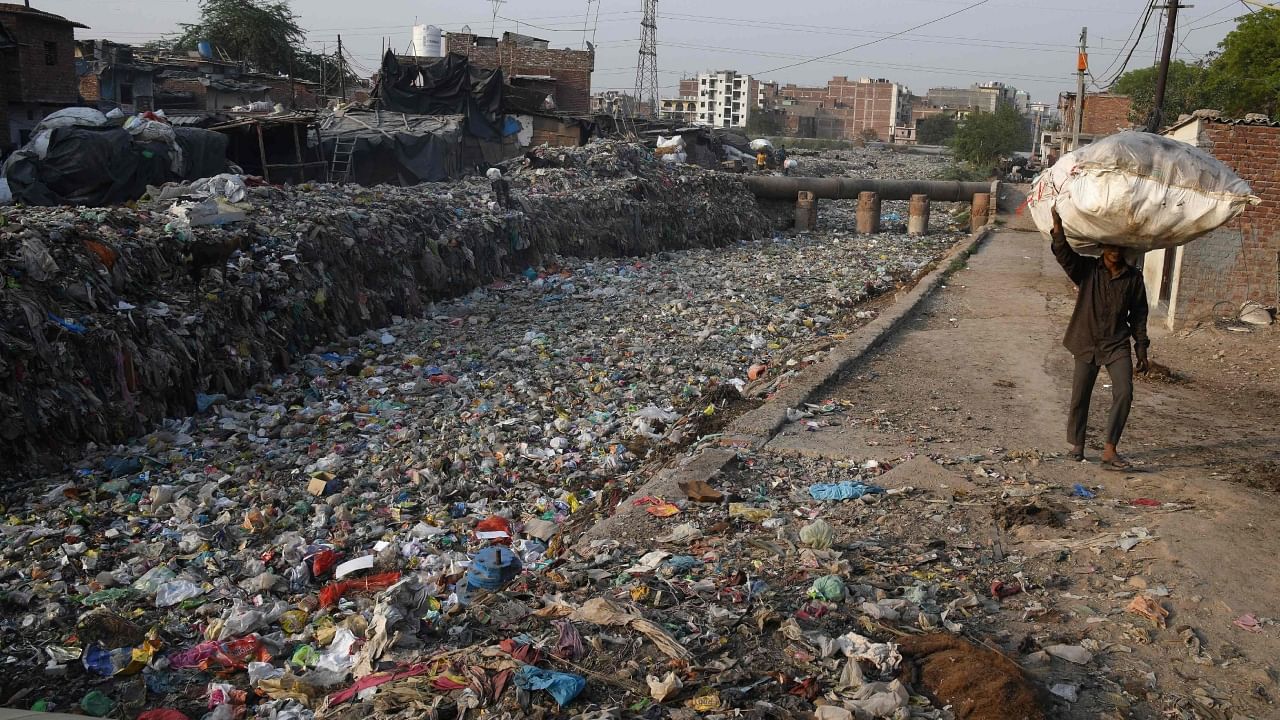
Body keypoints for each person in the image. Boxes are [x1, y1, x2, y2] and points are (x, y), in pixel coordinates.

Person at [1050, 207, 1150, 469]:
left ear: (1125, 250)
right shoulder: (1087, 270)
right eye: (1110, 246)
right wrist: (1058, 227)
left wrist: (1141, 349)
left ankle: (1110, 449)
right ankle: (1077, 445)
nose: (1115, 251)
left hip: (1117, 344)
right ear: (1102, 246)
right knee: (1080, 395)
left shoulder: (1133, 278)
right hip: (1085, 339)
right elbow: (1064, 256)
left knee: (1125, 392)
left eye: (1119, 247)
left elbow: (1139, 314)